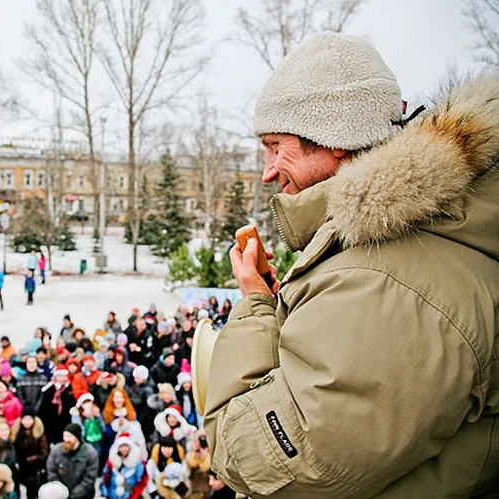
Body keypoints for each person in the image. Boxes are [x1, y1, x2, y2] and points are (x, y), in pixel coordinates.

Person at [204, 33, 499, 497]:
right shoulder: (390, 248)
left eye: (276, 145)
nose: (267, 170)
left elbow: (255, 457)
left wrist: (257, 307)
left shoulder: (383, 280)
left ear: (337, 140)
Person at [46, 424, 98, 499]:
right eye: (65, 436)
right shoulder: (56, 451)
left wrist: (73, 495)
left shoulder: (90, 453)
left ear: (77, 437)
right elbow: (51, 472)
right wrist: (61, 491)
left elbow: (90, 478)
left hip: (84, 495)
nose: (66, 439)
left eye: (69, 436)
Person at [11, 408, 48, 499]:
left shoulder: (39, 433)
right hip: (22, 469)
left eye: (29, 419)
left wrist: (29, 459)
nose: (27, 422)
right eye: (25, 419)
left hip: (36, 469)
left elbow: (44, 453)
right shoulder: (17, 433)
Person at [100, 433, 147, 499]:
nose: (123, 449)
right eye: (121, 446)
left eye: (125, 446)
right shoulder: (111, 461)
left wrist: (134, 496)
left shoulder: (137, 463)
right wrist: (105, 494)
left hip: (129, 496)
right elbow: (105, 479)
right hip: (113, 495)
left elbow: (140, 482)